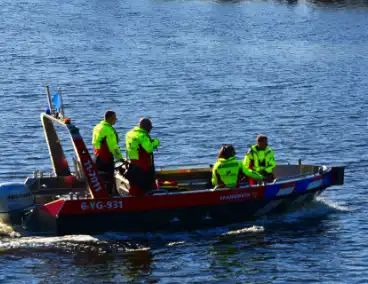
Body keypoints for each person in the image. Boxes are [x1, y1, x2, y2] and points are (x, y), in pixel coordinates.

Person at [125, 117, 160, 196]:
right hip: (144, 167)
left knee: (135, 187)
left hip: (133, 165)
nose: (151, 129)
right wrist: (156, 142)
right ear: (147, 127)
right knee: (148, 188)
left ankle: (132, 203)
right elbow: (149, 149)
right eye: (150, 127)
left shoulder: (129, 134)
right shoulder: (143, 136)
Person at [92, 110, 123, 195]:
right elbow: (114, 148)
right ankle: (108, 196)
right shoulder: (108, 130)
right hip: (106, 158)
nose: (115, 120)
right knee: (108, 179)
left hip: (96, 156)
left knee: (100, 178)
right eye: (114, 118)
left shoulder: (97, 127)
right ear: (110, 118)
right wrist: (121, 159)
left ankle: (99, 194)